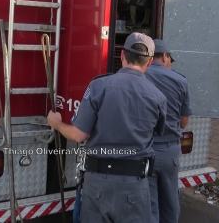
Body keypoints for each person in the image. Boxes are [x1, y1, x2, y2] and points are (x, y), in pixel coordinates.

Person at [48, 32, 167, 223]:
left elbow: (78, 135)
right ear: (150, 61)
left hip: (98, 184)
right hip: (135, 186)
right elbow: (158, 132)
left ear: (121, 55)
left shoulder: (99, 86)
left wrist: (57, 123)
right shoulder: (158, 96)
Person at [145, 39, 193, 223]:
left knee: (150, 204)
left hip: (145, 149)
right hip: (170, 151)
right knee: (170, 202)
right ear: (165, 56)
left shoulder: (140, 76)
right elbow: (183, 122)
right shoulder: (180, 80)